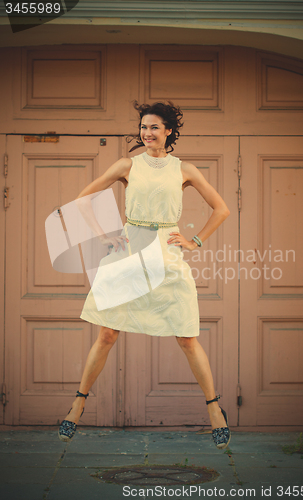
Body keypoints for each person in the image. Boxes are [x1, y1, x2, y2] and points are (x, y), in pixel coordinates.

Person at [58, 101, 231, 449]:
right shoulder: (127, 165)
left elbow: (222, 208)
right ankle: (77, 406)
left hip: (166, 256)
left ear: (168, 131)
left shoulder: (185, 170)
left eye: (154, 127)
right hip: (128, 254)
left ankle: (215, 410)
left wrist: (194, 241)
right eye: (143, 127)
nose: (147, 133)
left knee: (186, 336)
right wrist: (106, 235)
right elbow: (81, 200)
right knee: (107, 334)